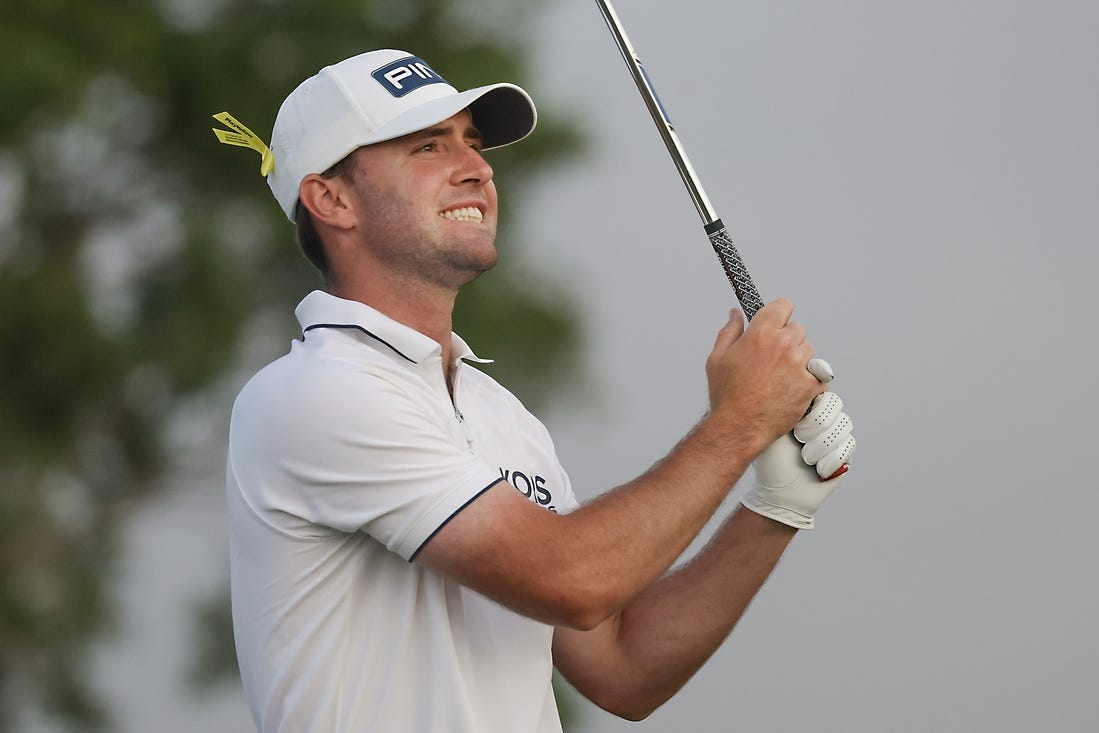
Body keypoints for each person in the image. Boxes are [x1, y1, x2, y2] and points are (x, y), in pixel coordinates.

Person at [218, 49, 856, 733]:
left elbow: (622, 668)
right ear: (332, 199)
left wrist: (774, 508)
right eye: (428, 146)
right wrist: (738, 421)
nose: (478, 168)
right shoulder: (312, 394)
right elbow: (574, 579)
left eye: (472, 142)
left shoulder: (501, 416)